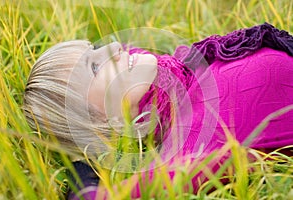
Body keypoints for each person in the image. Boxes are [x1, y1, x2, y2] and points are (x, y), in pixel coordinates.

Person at [23, 22, 293, 199]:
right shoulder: (195, 141)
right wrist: (80, 156)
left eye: (95, 49)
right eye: (94, 66)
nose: (115, 47)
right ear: (100, 122)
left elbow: (127, 55)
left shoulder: (179, 75)